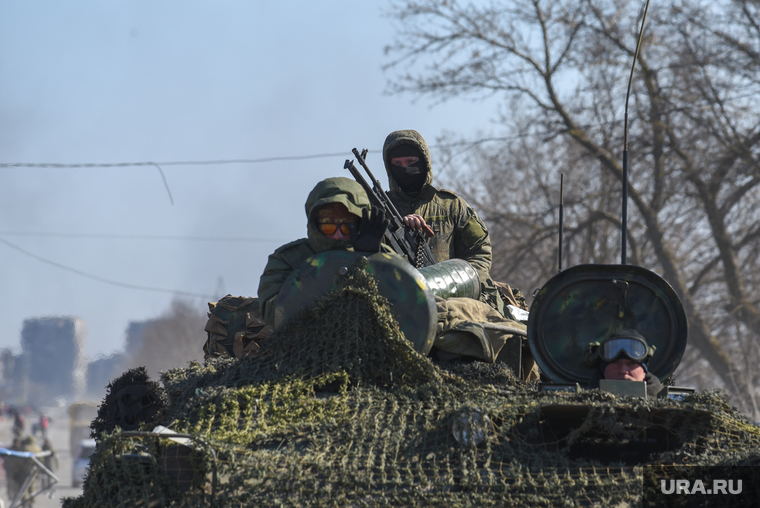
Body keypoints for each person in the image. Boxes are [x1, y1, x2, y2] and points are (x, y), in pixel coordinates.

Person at [257, 176, 389, 326]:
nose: (338, 235)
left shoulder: (386, 257)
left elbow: (407, 305)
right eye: (328, 227)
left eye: (347, 227)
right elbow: (272, 312)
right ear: (314, 224)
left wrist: (370, 261)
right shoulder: (288, 259)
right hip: (306, 346)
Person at [583, 329, 663, 397]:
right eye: (615, 362)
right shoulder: (579, 402)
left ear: (644, 372)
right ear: (603, 370)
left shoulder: (669, 406)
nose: (623, 370)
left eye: (631, 363)